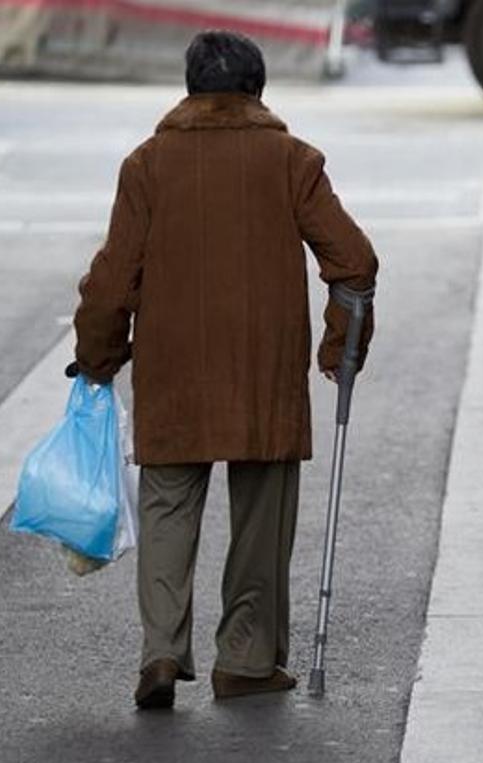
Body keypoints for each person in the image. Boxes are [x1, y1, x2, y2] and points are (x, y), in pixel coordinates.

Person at [72, 30, 379, 708]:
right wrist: (339, 349)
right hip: (263, 371)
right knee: (261, 516)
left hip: (173, 369)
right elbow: (353, 262)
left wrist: (96, 357)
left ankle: (160, 653)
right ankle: (244, 658)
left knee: (167, 506)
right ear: (257, 90)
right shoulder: (293, 160)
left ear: (189, 89)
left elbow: (111, 281)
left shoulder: (147, 165)